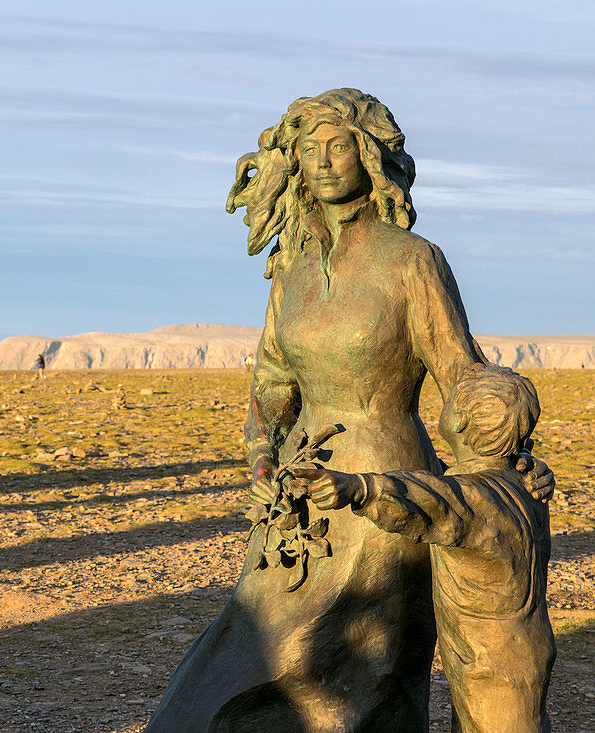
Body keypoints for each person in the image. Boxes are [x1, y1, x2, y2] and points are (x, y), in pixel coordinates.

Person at [147, 89, 491, 732]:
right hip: (298, 493)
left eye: (340, 146)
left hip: (385, 484)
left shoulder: (414, 261)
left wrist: (503, 462)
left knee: (359, 663)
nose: (326, 162)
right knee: (246, 651)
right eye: (310, 150)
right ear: (294, 164)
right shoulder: (292, 272)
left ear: (369, 157)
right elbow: (272, 380)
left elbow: (462, 378)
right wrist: (260, 455)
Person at [291, 364, 554, 733]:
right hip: (512, 649)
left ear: (459, 421)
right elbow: (446, 486)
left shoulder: (473, 499)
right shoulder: (520, 483)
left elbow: (429, 499)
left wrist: (358, 487)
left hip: (493, 665)